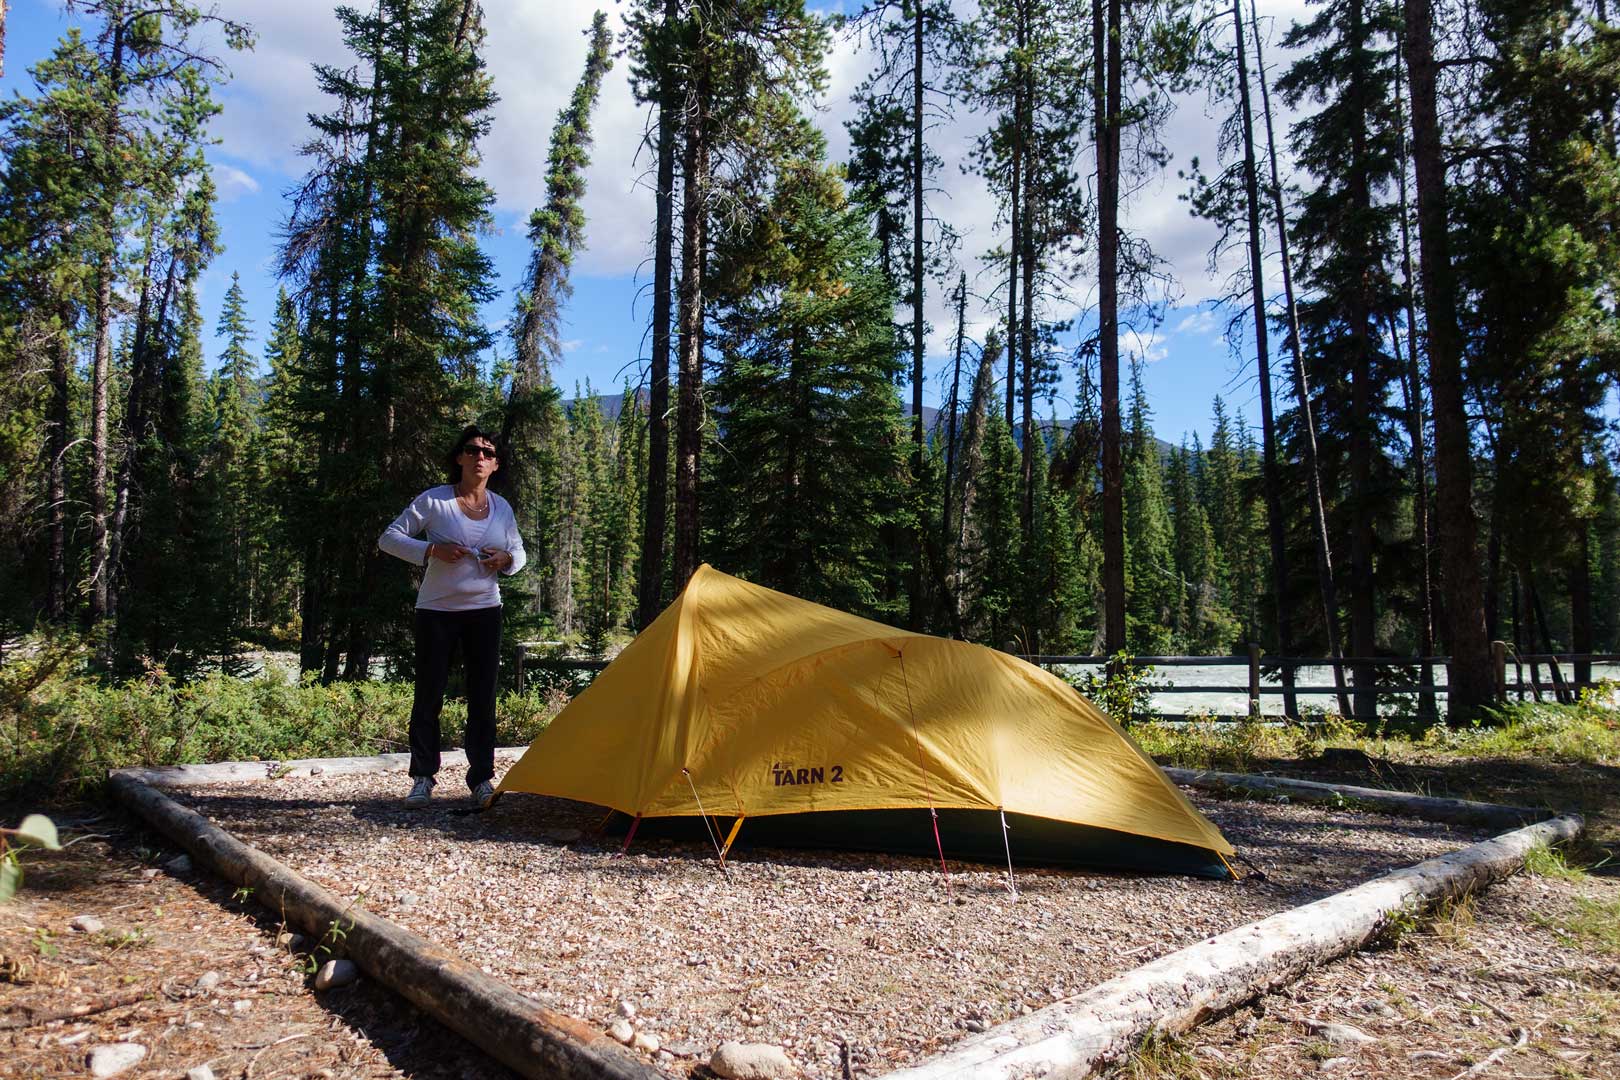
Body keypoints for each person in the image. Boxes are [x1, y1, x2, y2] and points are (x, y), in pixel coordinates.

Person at [378, 426, 526, 809]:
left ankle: (480, 780)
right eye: (472, 450)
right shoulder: (434, 501)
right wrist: (431, 551)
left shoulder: (502, 507)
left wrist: (506, 560)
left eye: (487, 453)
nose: (479, 456)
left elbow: (519, 552)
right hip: (436, 611)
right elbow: (389, 538)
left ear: (494, 465)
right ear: (459, 458)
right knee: (428, 696)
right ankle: (423, 778)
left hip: (485, 612)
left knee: (482, 698)